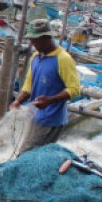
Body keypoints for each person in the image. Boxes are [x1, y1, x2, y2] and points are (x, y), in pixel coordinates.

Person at [11, 18, 80, 154]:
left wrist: (50, 100)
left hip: (51, 118)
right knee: (34, 155)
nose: (32, 43)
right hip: (35, 115)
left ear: (46, 38)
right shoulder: (35, 57)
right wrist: (18, 101)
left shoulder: (63, 59)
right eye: (31, 39)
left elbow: (74, 89)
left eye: (35, 40)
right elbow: (28, 86)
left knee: (26, 154)